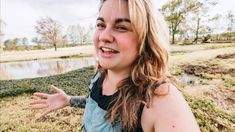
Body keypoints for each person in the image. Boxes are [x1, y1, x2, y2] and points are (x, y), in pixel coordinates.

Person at [30, 0, 201, 131]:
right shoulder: (101, 74)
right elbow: (96, 102)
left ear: (146, 37)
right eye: (101, 25)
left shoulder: (160, 100)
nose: (104, 36)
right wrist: (69, 100)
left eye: (121, 27)